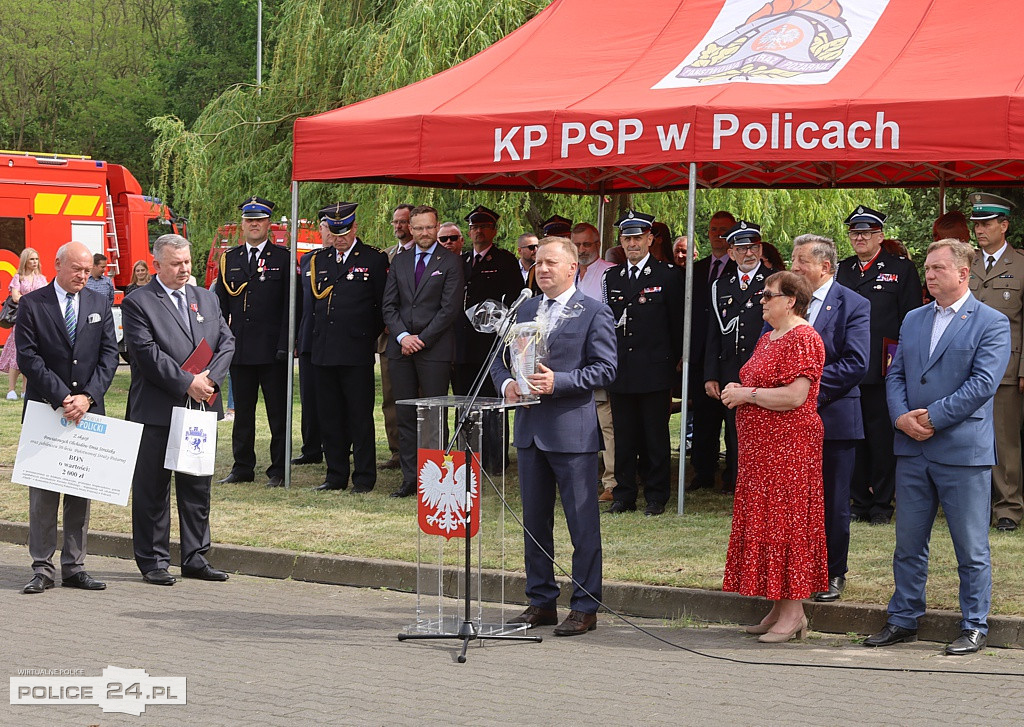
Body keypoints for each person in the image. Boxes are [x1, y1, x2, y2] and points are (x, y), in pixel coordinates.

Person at [864, 240, 1009, 656]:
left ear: (963, 274)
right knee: (908, 542)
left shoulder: (991, 322)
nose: (928, 274)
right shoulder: (913, 319)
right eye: (927, 268)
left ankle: (974, 624)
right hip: (912, 449)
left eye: (938, 269)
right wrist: (900, 418)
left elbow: (983, 384)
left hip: (962, 452)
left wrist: (932, 417)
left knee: (971, 546)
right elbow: (896, 375)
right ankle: (904, 617)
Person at [491, 236, 617, 636]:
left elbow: (606, 369)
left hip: (571, 433)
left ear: (572, 269)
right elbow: (497, 359)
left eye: (550, 263)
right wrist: (507, 383)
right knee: (534, 521)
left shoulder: (594, 312)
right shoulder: (524, 308)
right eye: (537, 262)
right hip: (529, 432)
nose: (542, 269)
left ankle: (584, 606)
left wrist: (559, 381)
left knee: (582, 523)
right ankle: (540, 601)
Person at [122, 233, 234, 586]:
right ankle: (153, 560)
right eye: (175, 263)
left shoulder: (205, 298)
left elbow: (226, 342)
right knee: (153, 488)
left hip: (199, 408)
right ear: (157, 264)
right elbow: (146, 354)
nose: (184, 269)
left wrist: (210, 381)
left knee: (197, 485)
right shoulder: (138, 302)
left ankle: (196, 556)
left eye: (187, 262)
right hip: (157, 410)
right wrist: (188, 382)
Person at [721, 271, 826, 642]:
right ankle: (779, 606)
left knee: (788, 523)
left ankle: (795, 612)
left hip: (789, 450)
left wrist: (746, 395)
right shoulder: (768, 338)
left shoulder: (803, 338)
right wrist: (739, 389)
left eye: (768, 295)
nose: (761, 300)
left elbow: (795, 396)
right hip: (759, 452)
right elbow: (759, 383)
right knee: (768, 522)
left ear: (791, 300)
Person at [15, 241, 118, 594]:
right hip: (46, 410)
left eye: (88, 270)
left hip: (87, 411)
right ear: (58, 264)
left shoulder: (99, 302)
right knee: (43, 494)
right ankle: (42, 567)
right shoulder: (32, 304)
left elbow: (109, 355)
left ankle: (74, 566)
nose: (83, 276)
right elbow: (28, 358)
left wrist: (87, 397)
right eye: (77, 269)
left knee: (80, 490)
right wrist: (62, 397)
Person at [789, 234, 870, 603]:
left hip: (833, 418)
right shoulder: (787, 303)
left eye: (801, 261)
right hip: (787, 421)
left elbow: (856, 362)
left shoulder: (853, 304)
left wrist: (807, 393)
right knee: (794, 500)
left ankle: (833, 571)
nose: (794, 267)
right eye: (793, 259)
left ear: (825, 266)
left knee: (833, 501)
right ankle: (797, 569)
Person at [836, 206, 923, 527]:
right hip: (848, 368)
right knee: (852, 437)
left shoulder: (900, 269)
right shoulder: (841, 270)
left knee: (882, 438)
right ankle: (859, 500)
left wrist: (905, 367)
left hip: (884, 367)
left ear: (880, 236)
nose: (859, 238)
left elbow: (912, 320)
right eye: (854, 233)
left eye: (866, 233)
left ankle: (882, 505)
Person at [602, 211, 683, 516]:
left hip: (655, 368)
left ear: (650, 239)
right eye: (627, 238)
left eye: (638, 238)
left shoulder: (668, 275)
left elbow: (676, 324)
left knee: (654, 436)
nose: (632, 244)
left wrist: (674, 361)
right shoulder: (613, 277)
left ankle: (656, 495)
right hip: (622, 368)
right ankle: (624, 495)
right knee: (623, 436)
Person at [382, 205, 464, 498]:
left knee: (433, 415)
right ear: (411, 229)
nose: (424, 233)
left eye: (429, 228)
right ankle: (409, 478)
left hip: (435, 349)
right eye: (418, 228)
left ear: (437, 227)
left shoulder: (451, 262)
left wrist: (422, 339)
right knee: (404, 413)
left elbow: (449, 309)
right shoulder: (400, 260)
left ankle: (436, 478)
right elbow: (388, 305)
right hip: (401, 349)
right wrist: (404, 337)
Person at [309, 203, 388, 492]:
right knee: (330, 417)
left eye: (344, 231)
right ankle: (335, 475)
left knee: (359, 417)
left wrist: (366, 335)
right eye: (334, 231)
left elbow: (382, 305)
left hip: (355, 351)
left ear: (354, 228)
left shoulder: (373, 259)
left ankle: (364, 478)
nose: (339, 237)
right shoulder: (320, 259)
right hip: (324, 350)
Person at [215, 196, 291, 488]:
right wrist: (223, 344)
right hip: (241, 350)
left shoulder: (282, 259)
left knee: (277, 415)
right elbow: (221, 307)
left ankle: (278, 470)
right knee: (242, 414)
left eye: (259, 220)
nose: (254, 225)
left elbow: (289, 307)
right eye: (249, 220)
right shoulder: (229, 259)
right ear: (242, 225)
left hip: (273, 351)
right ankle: (242, 467)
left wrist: (285, 345)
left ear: (268, 223)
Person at [966, 193, 1024, 532]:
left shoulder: (1020, 264)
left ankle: (1008, 509)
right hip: (965, 368)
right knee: (968, 437)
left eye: (986, 224)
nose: (979, 230)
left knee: (1004, 440)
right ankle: (974, 505)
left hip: (1005, 368)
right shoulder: (965, 262)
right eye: (977, 224)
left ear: (1004, 225)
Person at [704, 221, 776, 494]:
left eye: (754, 247)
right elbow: (713, 332)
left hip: (765, 367)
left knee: (764, 430)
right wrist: (711, 374)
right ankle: (738, 482)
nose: (750, 253)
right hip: (731, 368)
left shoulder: (773, 281)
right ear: (731, 252)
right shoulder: (720, 286)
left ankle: (762, 485)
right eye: (742, 248)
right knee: (735, 431)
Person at [454, 204, 522, 473]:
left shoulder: (504, 261)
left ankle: (495, 459)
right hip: (463, 344)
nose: (478, 232)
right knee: (464, 401)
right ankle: (466, 456)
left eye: (483, 227)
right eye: (473, 227)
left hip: (491, 344)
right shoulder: (460, 261)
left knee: (493, 404)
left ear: (493, 230)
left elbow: (515, 298)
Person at [689, 211, 737, 491]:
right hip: (700, 354)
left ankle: (732, 474)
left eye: (724, 230)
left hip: (731, 354)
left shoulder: (742, 268)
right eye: (713, 229)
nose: (718, 234)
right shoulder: (697, 269)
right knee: (704, 419)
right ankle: (703, 472)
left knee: (733, 422)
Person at [571, 222, 616, 501]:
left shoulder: (609, 273)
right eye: (577, 245)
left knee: (606, 421)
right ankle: (577, 477)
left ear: (597, 244)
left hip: (597, 358)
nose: (582, 250)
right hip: (568, 360)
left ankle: (611, 482)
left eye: (587, 244)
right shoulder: (567, 272)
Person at [376, 203, 416, 470]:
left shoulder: (428, 254)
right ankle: (396, 451)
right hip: (389, 336)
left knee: (421, 397)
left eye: (404, 222)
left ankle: (421, 450)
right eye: (396, 222)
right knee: (391, 397)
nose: (399, 226)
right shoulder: (385, 256)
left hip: (419, 337)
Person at [292, 235, 328, 467]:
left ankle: (341, 445)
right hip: (308, 339)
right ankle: (311, 448)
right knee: (310, 398)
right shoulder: (308, 260)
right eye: (326, 227)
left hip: (335, 340)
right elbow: (298, 302)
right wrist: (295, 336)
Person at [1, 248, 47, 400]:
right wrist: (32, 300)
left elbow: (45, 297)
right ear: (25, 261)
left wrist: (29, 299)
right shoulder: (18, 277)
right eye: (32, 259)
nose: (35, 262)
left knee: (32, 353)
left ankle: (25, 389)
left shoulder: (42, 279)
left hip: (37, 320)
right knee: (16, 353)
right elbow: (15, 296)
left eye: (36, 259)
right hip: (21, 319)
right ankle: (11, 390)